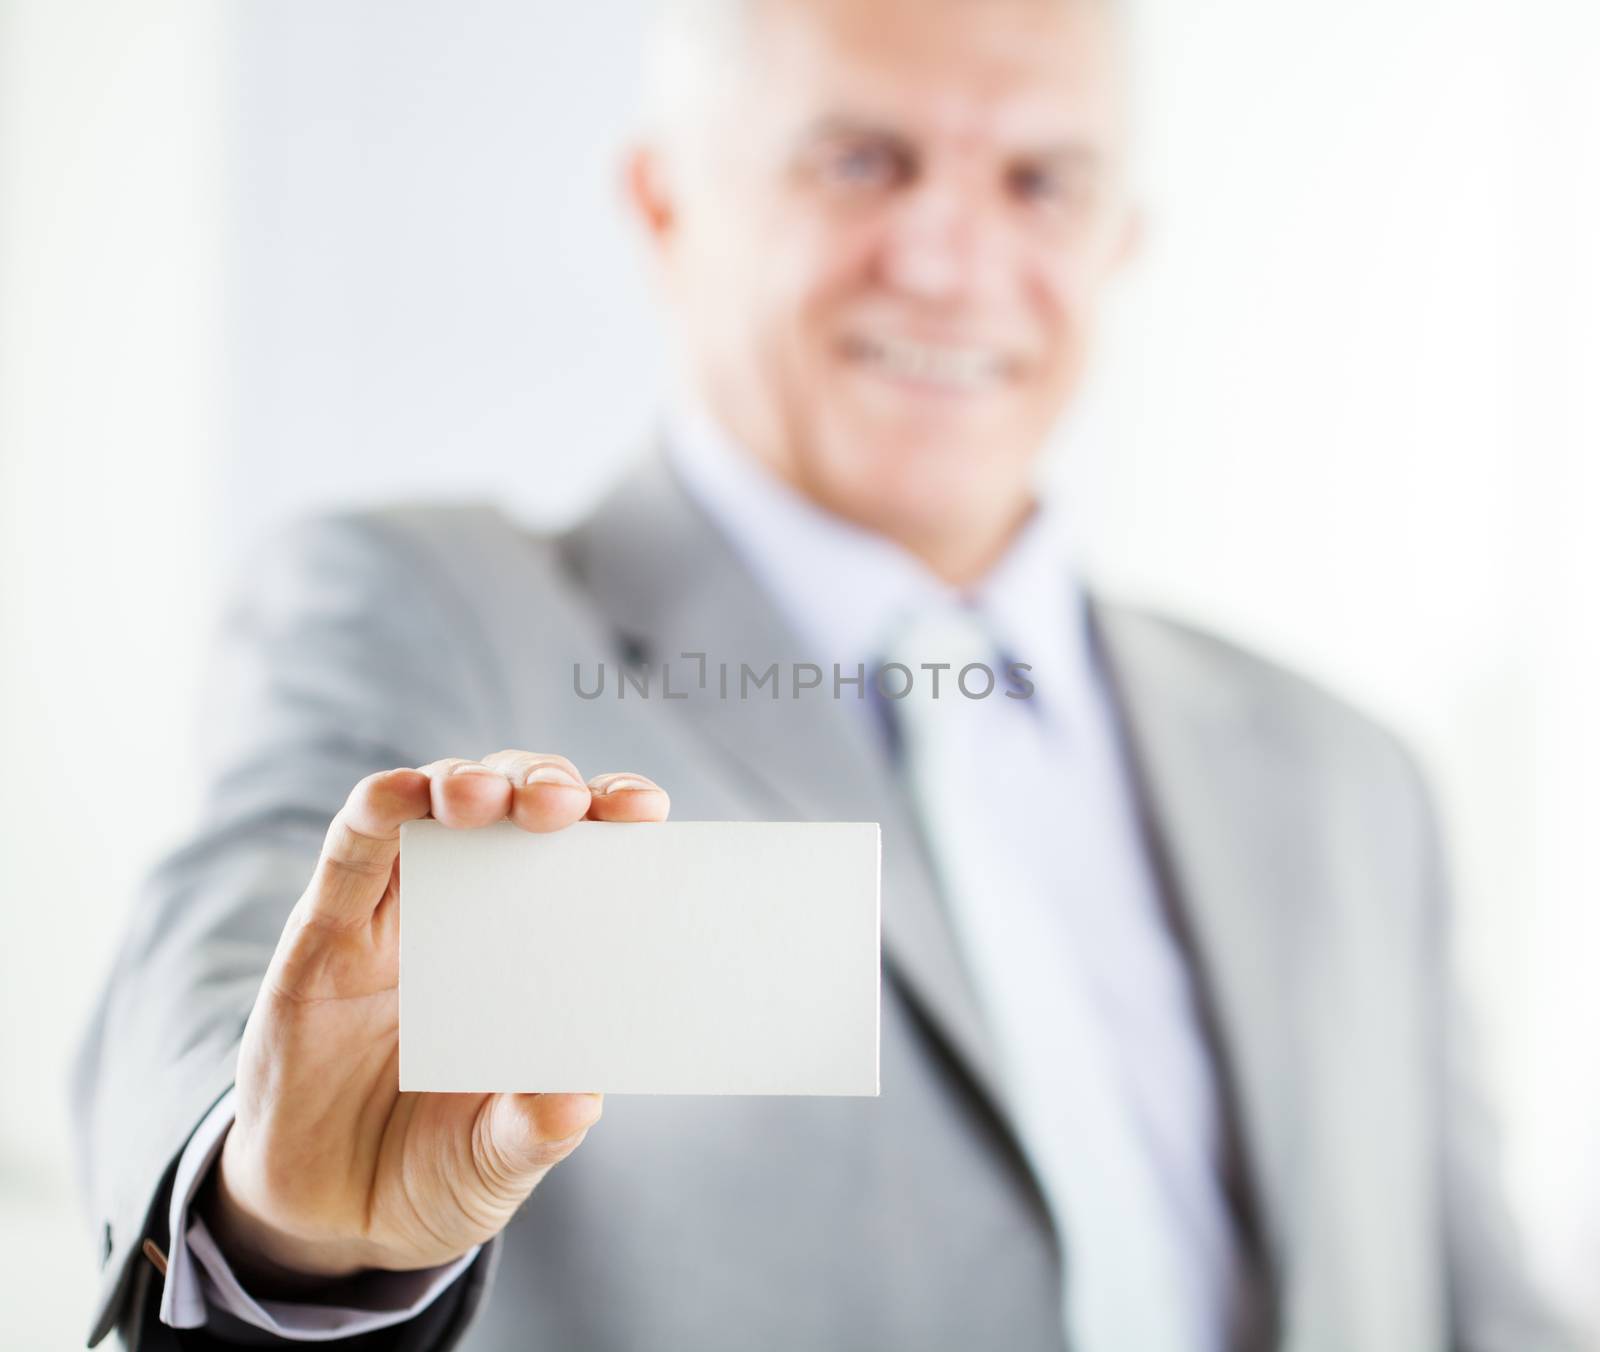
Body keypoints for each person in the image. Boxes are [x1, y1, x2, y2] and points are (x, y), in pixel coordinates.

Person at [73, 0, 1577, 1348]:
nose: (947, 258)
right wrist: (282, 1225)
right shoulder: (446, 617)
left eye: (1040, 182)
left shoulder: (1345, 776)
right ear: (667, 202)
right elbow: (231, 988)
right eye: (860, 161)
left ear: (1122, 241)